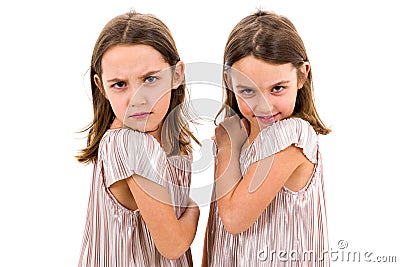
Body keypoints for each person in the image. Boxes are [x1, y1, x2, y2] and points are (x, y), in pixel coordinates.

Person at [203, 10, 331, 266]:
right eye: (248, 91)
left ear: (302, 75)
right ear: (229, 81)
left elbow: (234, 218)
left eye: (277, 88)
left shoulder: (292, 135)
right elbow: (217, 225)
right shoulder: (240, 137)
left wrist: (227, 148)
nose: (264, 106)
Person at [76, 11, 200, 266]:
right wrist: (194, 210)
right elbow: (173, 245)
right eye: (120, 84)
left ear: (177, 75)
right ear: (101, 87)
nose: (137, 98)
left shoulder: (172, 142)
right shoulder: (129, 143)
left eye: (150, 79)